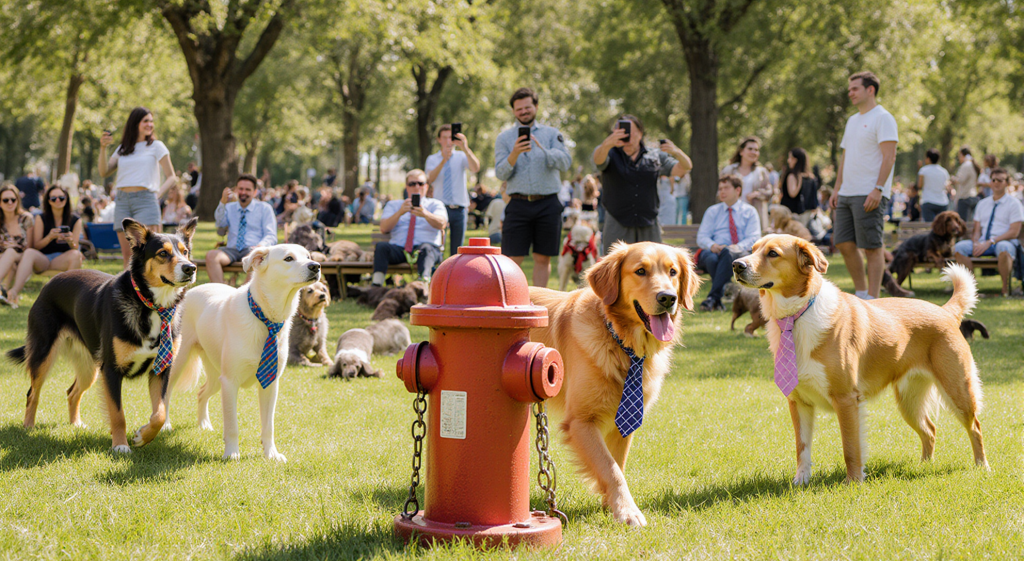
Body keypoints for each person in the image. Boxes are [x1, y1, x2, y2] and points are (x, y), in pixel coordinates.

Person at [828, 71, 898, 300]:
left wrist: (878, 189)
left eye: (855, 88)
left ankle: (873, 298)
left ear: (870, 90)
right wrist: (837, 188)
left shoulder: (883, 117)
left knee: (872, 247)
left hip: (869, 192)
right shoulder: (852, 120)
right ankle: (861, 293)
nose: (850, 93)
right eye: (850, 89)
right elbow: (845, 157)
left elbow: (889, 157)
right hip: (847, 192)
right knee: (843, 243)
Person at [494, 87, 572, 287]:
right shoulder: (504, 139)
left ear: (536, 107)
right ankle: (511, 303)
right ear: (513, 111)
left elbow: (565, 163)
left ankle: (538, 304)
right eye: (519, 109)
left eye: (527, 107)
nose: (523, 112)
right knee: (511, 259)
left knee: (542, 258)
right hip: (517, 204)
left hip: (548, 203)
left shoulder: (552, 134)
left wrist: (544, 150)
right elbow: (501, 174)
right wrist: (514, 154)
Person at [592, 114, 692, 254]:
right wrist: (607, 143)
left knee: (653, 267)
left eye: (630, 131)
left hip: (648, 222)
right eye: (621, 130)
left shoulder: (655, 155)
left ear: (640, 133)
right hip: (617, 221)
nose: (626, 135)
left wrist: (677, 152)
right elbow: (598, 160)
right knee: (614, 270)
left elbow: (685, 167)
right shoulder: (608, 152)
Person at [98, 106, 178, 268]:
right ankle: (129, 292)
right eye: (145, 121)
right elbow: (104, 171)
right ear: (135, 123)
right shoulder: (123, 148)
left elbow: (172, 177)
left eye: (151, 121)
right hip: (122, 201)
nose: (150, 124)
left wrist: (157, 195)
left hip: (145, 200)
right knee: (128, 256)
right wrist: (103, 148)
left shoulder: (156, 146)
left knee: (150, 253)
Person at [3, 185, 84, 308]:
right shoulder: (41, 218)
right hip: (43, 259)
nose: (58, 201)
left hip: (62, 259)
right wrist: (50, 237)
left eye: (61, 198)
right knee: (29, 252)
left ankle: (66, 298)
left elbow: (75, 247)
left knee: (76, 255)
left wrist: (70, 240)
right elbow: (36, 245)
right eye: (54, 198)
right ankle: (13, 292)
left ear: (66, 199)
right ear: (48, 200)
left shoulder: (75, 220)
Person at [695, 175, 761, 311]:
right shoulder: (712, 211)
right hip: (712, 252)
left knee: (728, 253)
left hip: (739, 252)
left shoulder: (750, 212)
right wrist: (712, 245)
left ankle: (713, 298)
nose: (722, 192)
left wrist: (736, 247)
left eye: (726, 188)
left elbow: (754, 238)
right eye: (720, 189)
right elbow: (702, 237)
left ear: (738, 190)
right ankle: (717, 298)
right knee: (712, 259)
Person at [954, 168, 1022, 297]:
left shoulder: (1014, 204)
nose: (996, 183)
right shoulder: (982, 204)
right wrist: (975, 242)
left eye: (1000, 180)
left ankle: (1005, 289)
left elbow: (1014, 232)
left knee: (1004, 248)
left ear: (1007, 183)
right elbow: (977, 230)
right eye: (993, 180)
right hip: (983, 243)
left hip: (1003, 241)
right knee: (959, 247)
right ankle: (971, 291)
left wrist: (991, 241)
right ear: (990, 182)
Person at [371, 170, 447, 286]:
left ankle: (424, 287)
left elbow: (442, 224)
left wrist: (425, 214)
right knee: (381, 247)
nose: (416, 187)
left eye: (420, 183)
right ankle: (376, 286)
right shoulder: (394, 205)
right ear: (407, 187)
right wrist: (400, 212)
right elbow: (384, 228)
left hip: (425, 250)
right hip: (399, 249)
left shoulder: (435, 204)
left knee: (426, 249)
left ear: (426, 186)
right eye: (412, 184)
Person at [206, 174, 278, 284]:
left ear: (255, 192)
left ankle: (242, 294)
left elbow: (271, 235)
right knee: (211, 256)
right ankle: (221, 293)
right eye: (241, 189)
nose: (243, 192)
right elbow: (220, 225)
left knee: (257, 257)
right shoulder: (229, 207)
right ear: (236, 190)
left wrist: (261, 246)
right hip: (232, 250)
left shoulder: (264, 208)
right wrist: (222, 203)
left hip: (252, 248)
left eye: (248, 190)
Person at [425, 124, 481, 255]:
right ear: (439, 139)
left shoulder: (462, 156)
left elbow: (475, 168)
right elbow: (429, 179)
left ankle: (453, 275)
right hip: (440, 207)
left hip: (459, 207)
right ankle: (436, 273)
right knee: (437, 245)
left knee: (457, 249)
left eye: (450, 137)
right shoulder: (432, 159)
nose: (448, 141)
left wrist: (465, 148)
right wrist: (443, 160)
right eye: (444, 137)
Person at [721, 136, 773, 229]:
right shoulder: (729, 170)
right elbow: (719, 193)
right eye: (750, 149)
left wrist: (757, 194)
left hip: (754, 216)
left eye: (756, 150)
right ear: (741, 152)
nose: (753, 152)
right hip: (732, 216)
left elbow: (769, 192)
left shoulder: (762, 172)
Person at [0, 184, 37, 302]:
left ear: (17, 200)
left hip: (23, 257)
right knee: (9, 259)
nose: (10, 202)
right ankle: (5, 293)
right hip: (3, 259)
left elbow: (30, 247)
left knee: (11, 251)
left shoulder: (26, 219)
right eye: (5, 200)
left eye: (13, 199)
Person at [779, 148, 819, 225]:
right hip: (806, 215)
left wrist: (799, 181)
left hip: (792, 215)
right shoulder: (811, 177)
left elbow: (792, 194)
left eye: (790, 158)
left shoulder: (793, 176)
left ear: (795, 160)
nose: (788, 160)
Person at [917, 148, 950, 221]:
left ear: (928, 158)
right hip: (942, 202)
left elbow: (919, 185)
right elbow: (947, 186)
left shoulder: (923, 170)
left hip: (928, 201)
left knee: (930, 226)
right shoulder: (944, 171)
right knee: (941, 226)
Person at [951, 146, 980, 223]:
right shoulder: (972, 164)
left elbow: (960, 180)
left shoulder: (966, 165)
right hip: (973, 196)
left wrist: (953, 179)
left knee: (962, 223)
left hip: (965, 197)